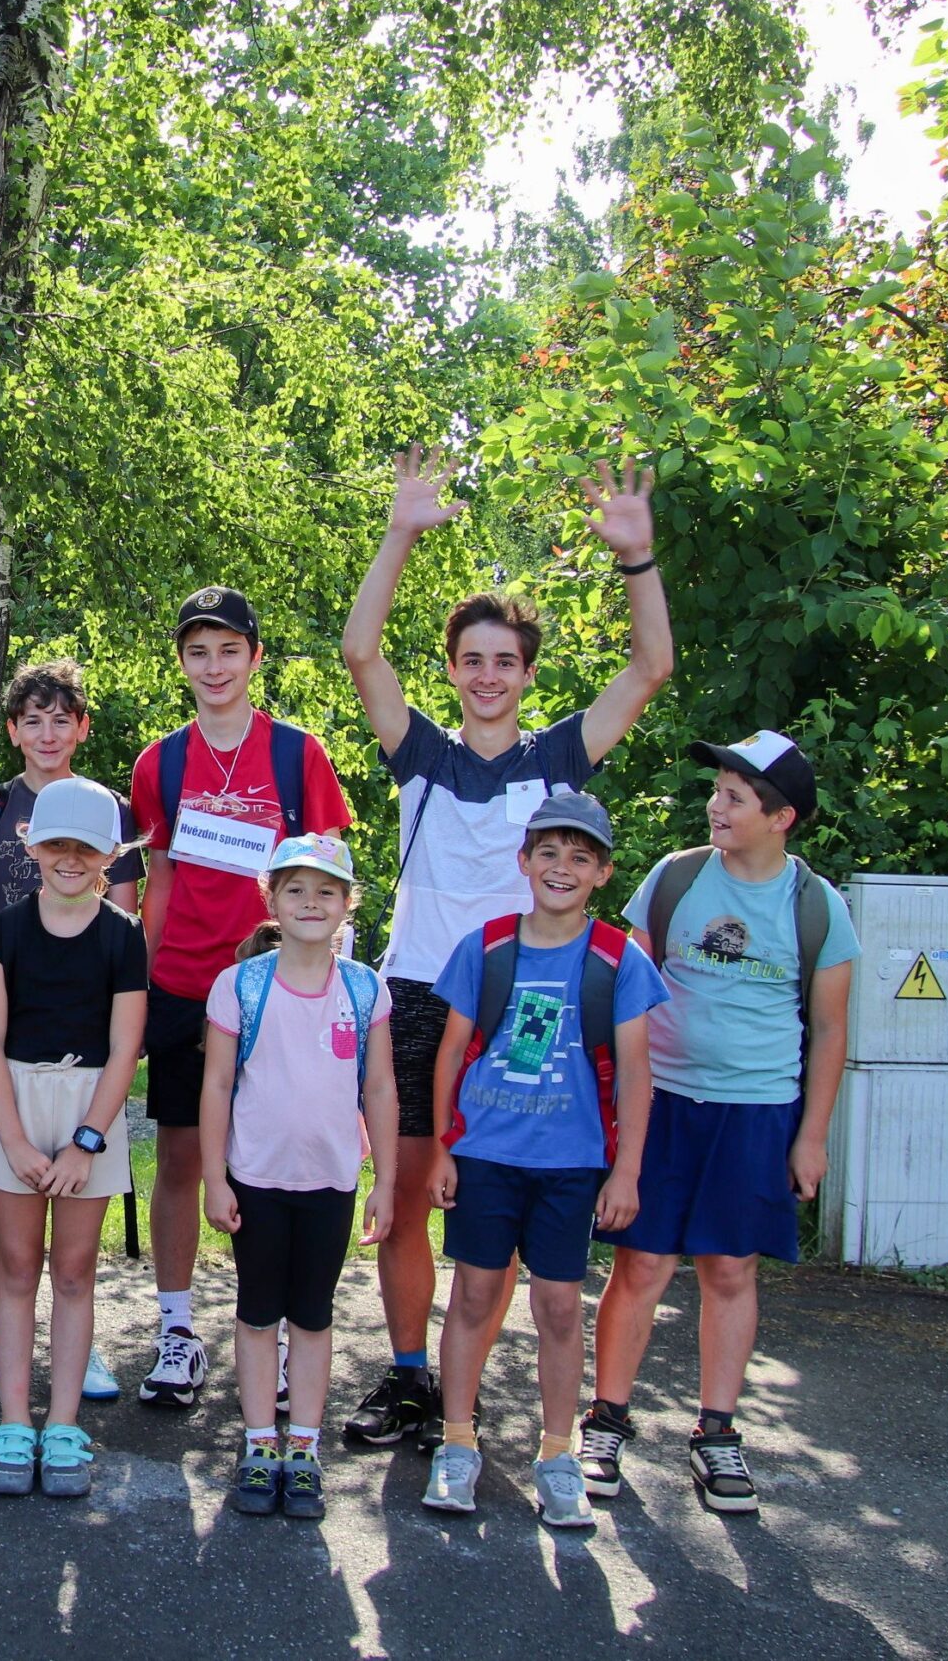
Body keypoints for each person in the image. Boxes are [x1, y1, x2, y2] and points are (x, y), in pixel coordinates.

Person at [336, 448, 673, 1450]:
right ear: (451, 670)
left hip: (526, 1008)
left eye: (504, 661)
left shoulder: (560, 759)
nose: (487, 675)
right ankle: (411, 1376)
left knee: (496, 1212)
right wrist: (398, 531)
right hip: (416, 995)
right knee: (404, 1202)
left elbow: (649, 669)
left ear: (528, 674)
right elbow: (359, 650)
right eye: (471, 660)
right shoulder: (421, 755)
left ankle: (468, 1386)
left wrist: (637, 558)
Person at [587, 732, 858, 1515]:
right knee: (642, 1264)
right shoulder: (674, 879)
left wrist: (812, 1136)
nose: (716, 805)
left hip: (758, 1112)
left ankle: (716, 1433)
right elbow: (627, 993)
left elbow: (830, 1029)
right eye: (717, 790)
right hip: (663, 1103)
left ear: (781, 817)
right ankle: (606, 1421)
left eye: (735, 796)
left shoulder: (817, 907)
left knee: (731, 1269)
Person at [418, 794, 668, 1526]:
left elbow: (636, 1072)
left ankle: (558, 1455)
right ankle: (456, 1443)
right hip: (485, 1155)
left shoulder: (617, 959)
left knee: (559, 1306)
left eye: (580, 857)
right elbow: (450, 1055)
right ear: (524, 860)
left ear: (603, 873)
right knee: (473, 1296)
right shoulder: (487, 947)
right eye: (549, 853)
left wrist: (626, 1172)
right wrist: (441, 1149)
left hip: (571, 1164)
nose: (563, 868)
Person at [130, 589, 351, 1407]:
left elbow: (331, 878)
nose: (214, 666)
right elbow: (158, 883)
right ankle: (177, 1331)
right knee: (183, 1160)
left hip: (281, 989)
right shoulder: (160, 763)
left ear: (256, 657)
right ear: (182, 662)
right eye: (198, 651)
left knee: (282, 1168)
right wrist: (139, 989)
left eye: (229, 650)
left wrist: (333, 987)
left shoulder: (298, 754)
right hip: (186, 985)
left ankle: (285, 1340)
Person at [0, 659, 142, 1403]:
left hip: (86, 1044)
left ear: (83, 727)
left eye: (62, 718)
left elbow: (122, 925)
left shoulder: (109, 811)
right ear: (13, 730)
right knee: (5, 1215)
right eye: (33, 719)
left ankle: (74, 1350)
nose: (48, 732)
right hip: (7, 1032)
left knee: (73, 1261)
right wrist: (8, 991)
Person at [201, 835, 398, 1521]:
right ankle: (260, 1444)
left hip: (332, 1183)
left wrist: (386, 1180)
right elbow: (217, 1084)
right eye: (295, 889)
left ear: (347, 903)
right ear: (272, 899)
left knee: (312, 1314)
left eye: (326, 891)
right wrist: (214, 1177)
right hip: (256, 1178)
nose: (311, 903)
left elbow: (379, 1087)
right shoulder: (241, 984)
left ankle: (305, 1450)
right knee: (258, 1312)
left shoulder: (366, 988)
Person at [0, 778, 147, 1498]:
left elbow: (125, 1046)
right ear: (33, 846)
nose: (70, 858)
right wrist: (13, 1140)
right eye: (57, 845)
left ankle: (64, 1424)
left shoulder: (123, 935)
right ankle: (14, 1421)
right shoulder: (5, 930)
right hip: (12, 1102)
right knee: (16, 1268)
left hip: (89, 1111)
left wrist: (86, 1141)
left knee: (74, 1272)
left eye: (86, 847)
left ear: (109, 855)